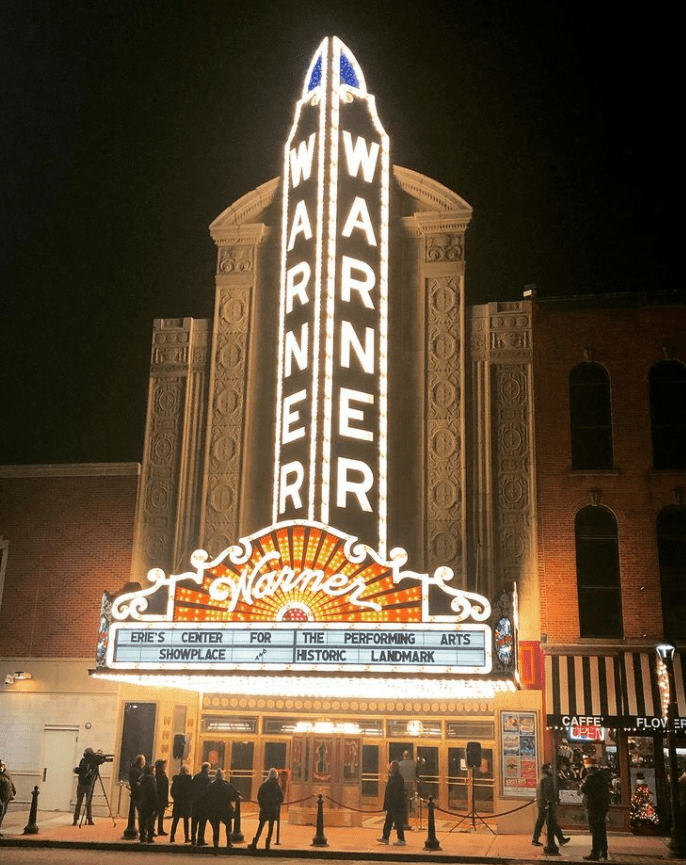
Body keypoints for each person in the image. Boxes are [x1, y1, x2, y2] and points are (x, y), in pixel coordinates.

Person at [532, 763, 570, 848]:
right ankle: (559, 839)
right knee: (551, 821)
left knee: (541, 821)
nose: (553, 770)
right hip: (546, 803)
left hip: (541, 802)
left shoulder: (541, 777)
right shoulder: (546, 778)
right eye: (551, 769)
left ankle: (536, 838)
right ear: (547, 769)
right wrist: (549, 801)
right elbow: (547, 791)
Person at [203, 767, 239, 853]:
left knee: (215, 829)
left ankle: (216, 846)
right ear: (223, 776)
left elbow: (205, 797)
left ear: (215, 776)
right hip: (225, 810)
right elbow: (234, 796)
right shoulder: (228, 786)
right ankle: (229, 843)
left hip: (214, 810)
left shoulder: (210, 786)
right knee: (228, 826)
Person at [581, 762, 610, 861]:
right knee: (601, 830)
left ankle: (595, 853)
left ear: (590, 770)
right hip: (602, 808)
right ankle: (604, 852)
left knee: (595, 831)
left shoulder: (591, 778)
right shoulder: (603, 778)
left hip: (593, 807)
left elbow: (584, 789)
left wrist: (585, 781)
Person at [249, 767, 284, 850]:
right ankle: (267, 843)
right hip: (273, 809)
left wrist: (262, 805)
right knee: (270, 827)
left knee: (260, 826)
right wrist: (276, 804)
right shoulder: (276, 786)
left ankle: (255, 842)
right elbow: (281, 797)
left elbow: (259, 796)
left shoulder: (264, 785)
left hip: (264, 809)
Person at [377, 760, 406, 846]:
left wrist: (391, 804)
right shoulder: (394, 777)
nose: (389, 768)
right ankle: (385, 837)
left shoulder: (397, 778)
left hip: (395, 804)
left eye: (390, 767)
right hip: (392, 804)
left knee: (398, 822)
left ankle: (401, 839)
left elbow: (395, 793)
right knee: (389, 821)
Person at [72, 747, 97, 825]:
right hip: (82, 784)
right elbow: (81, 770)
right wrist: (77, 770)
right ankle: (77, 819)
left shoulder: (93, 763)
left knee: (87, 803)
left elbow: (95, 774)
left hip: (87, 784)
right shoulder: (84, 761)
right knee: (80, 802)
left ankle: (88, 818)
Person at [170, 763, 193, 843]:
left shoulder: (176, 779)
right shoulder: (189, 780)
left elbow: (172, 791)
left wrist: (175, 798)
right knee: (186, 821)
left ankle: (172, 836)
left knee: (175, 820)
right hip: (186, 803)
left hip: (178, 802)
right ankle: (186, 837)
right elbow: (191, 791)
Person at [191, 761, 212, 846]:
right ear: (206, 769)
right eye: (209, 768)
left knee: (194, 822)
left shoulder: (196, 776)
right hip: (203, 803)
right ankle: (200, 839)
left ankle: (193, 839)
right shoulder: (206, 778)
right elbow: (207, 791)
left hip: (195, 802)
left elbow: (192, 788)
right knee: (202, 823)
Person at [137, 764, 159, 843]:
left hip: (142, 802)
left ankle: (142, 836)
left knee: (142, 820)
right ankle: (150, 837)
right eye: (154, 771)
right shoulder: (151, 780)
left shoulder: (141, 779)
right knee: (150, 820)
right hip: (150, 802)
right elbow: (153, 792)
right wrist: (156, 803)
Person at [128, 754, 146, 838]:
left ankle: (139, 830)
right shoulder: (138, 771)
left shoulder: (133, 769)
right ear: (141, 762)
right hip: (138, 794)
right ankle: (142, 831)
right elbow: (138, 783)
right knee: (141, 814)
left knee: (139, 813)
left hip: (135, 793)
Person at [398, 749, 417, 822]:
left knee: (403, 798)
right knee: (412, 798)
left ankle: (404, 811)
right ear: (409, 756)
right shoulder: (414, 764)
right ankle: (413, 811)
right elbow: (416, 774)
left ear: (403, 755)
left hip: (402, 784)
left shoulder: (399, 764)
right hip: (412, 783)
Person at [0, 760, 17, 837]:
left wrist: (13, 791)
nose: (2, 767)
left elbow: (11, 783)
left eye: (2, 765)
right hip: (2, 797)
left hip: (6, 797)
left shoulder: (6, 775)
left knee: (3, 813)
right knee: (1, 812)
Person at [154, 758, 169, 836]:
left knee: (159, 814)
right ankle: (154, 829)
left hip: (160, 797)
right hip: (160, 797)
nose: (166, 766)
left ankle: (159, 829)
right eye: (165, 764)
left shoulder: (159, 774)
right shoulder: (161, 775)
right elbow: (162, 788)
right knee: (157, 814)